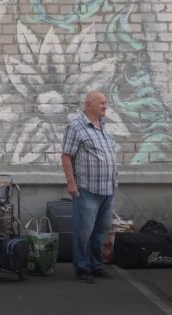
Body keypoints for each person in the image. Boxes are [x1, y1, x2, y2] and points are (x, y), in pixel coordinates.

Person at [61, 91, 117, 284]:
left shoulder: (104, 127)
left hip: (108, 189)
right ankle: (82, 268)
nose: (105, 106)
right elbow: (66, 156)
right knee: (83, 232)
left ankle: (96, 265)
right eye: (101, 103)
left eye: (106, 103)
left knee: (101, 231)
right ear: (89, 104)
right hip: (87, 190)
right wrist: (71, 183)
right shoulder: (76, 127)